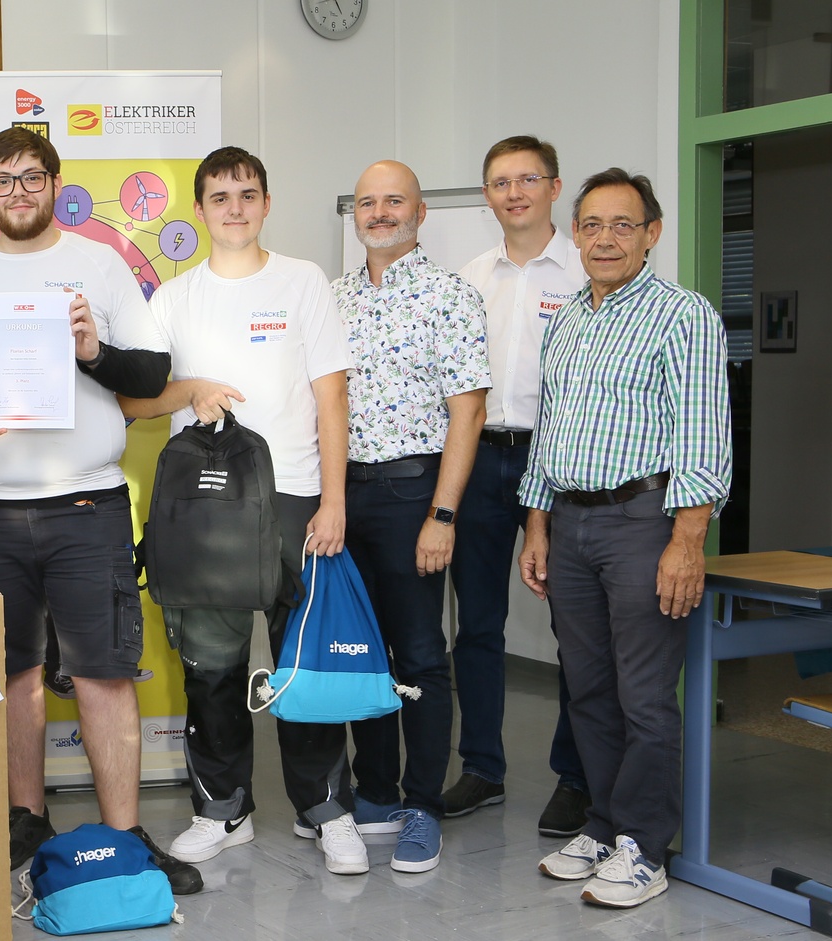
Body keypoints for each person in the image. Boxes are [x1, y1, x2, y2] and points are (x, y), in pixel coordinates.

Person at [0, 128, 199, 894]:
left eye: (32, 178)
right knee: (11, 673)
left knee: (102, 672)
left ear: (56, 184)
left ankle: (124, 831)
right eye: (3, 181)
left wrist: (94, 350)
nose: (18, 193)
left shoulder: (97, 263)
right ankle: (24, 817)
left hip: (85, 503)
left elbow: (151, 369)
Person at [117, 147, 360, 873]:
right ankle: (223, 809)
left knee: (304, 662)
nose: (234, 206)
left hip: (295, 500)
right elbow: (135, 401)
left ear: (266, 201)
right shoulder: (173, 298)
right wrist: (189, 388)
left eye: (247, 193)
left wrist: (335, 500)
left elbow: (331, 396)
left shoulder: (303, 281)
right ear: (198, 209)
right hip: (206, 511)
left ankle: (326, 808)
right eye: (219, 196)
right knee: (213, 668)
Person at [522, 169, 731, 909]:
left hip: (646, 520)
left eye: (622, 224)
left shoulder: (684, 315)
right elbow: (549, 430)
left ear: (652, 233)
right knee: (588, 687)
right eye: (591, 224)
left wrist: (687, 538)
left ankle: (646, 844)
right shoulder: (569, 319)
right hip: (570, 521)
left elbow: (704, 433)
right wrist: (538, 521)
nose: (605, 238)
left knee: (645, 695)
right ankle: (606, 824)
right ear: (574, 233)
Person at [332, 160, 489, 874]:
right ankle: (374, 793)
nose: (379, 211)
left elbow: (469, 413)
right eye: (368, 202)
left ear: (421, 212)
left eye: (394, 200)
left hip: (412, 493)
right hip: (344, 495)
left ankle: (422, 803)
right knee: (360, 653)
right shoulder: (332, 299)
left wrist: (443, 513)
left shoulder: (450, 296)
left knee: (421, 653)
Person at [446, 136, 591, 838]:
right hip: (479, 458)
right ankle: (482, 768)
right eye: (500, 181)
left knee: (576, 626)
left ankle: (576, 774)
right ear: (487, 195)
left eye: (527, 178)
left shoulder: (585, 272)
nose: (514, 192)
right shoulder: (469, 277)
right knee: (476, 625)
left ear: (555, 187)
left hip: (559, 462)